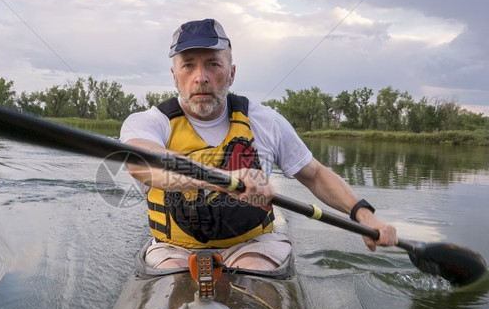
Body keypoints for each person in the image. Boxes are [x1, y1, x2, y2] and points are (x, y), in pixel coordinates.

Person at [119, 18, 397, 271]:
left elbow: (315, 174)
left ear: (231, 73)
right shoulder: (147, 122)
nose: (201, 77)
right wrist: (223, 179)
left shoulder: (266, 121)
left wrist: (364, 214)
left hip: (252, 246)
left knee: (254, 267)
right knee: (171, 272)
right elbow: (142, 165)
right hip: (173, 249)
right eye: (189, 65)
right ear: (174, 75)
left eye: (213, 64)